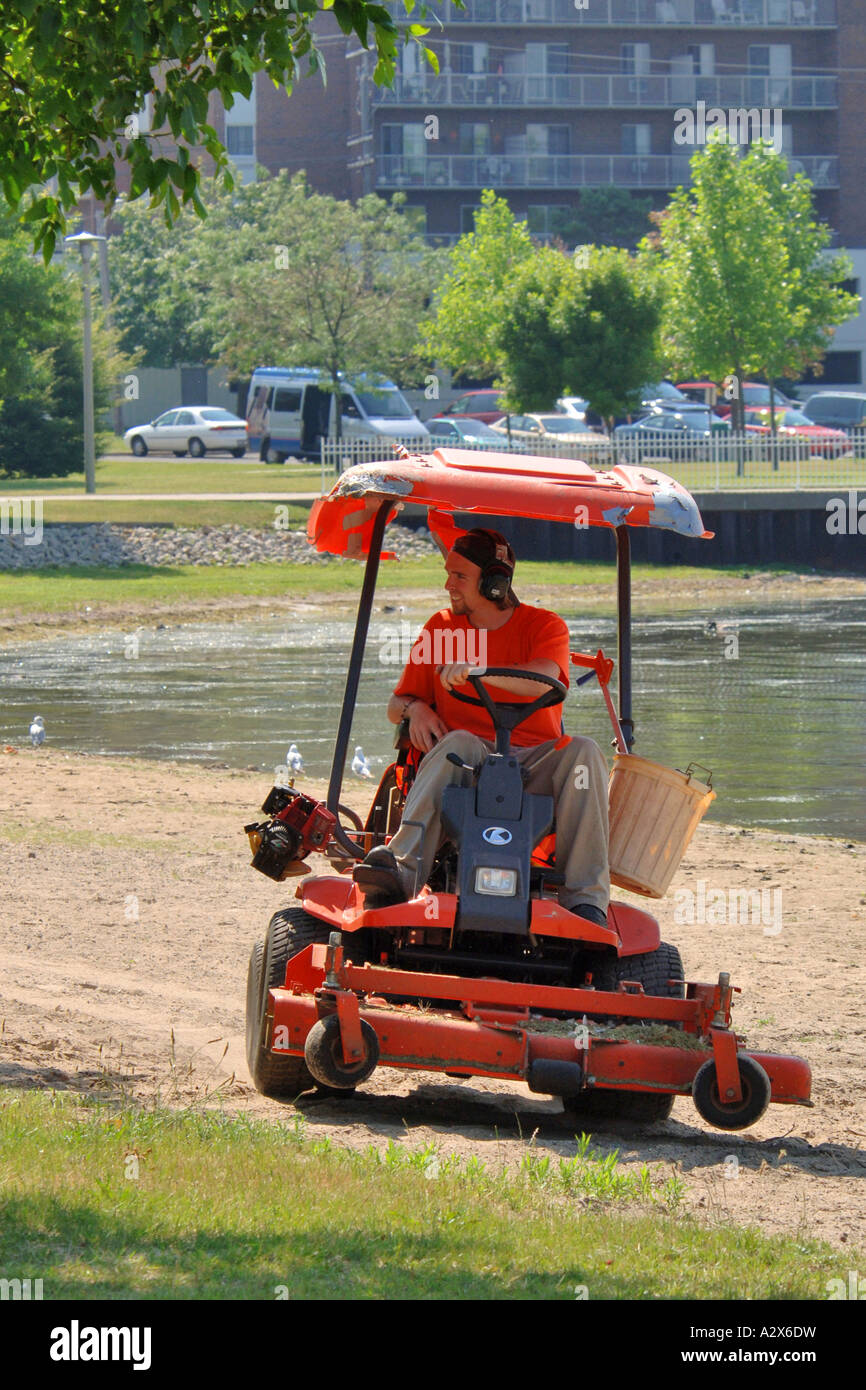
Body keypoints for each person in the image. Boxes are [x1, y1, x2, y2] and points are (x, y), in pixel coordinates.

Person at [353, 526, 610, 925]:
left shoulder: (544, 626)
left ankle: (586, 901)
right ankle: (401, 871)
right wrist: (415, 709)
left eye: (459, 577)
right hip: (468, 764)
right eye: (448, 573)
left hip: (534, 766)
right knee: (458, 741)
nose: (447, 585)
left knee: (585, 753)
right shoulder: (440, 628)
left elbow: (544, 676)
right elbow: (395, 704)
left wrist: (480, 672)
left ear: (493, 584)